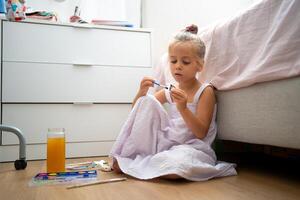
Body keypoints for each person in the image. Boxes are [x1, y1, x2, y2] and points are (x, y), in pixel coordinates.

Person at [109, 26, 237, 181]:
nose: (178, 66)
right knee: (148, 101)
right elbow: (139, 112)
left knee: (176, 167)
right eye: (173, 61)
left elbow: (201, 132)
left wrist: (183, 108)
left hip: (193, 148)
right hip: (167, 145)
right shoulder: (170, 89)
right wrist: (141, 93)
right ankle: (142, 161)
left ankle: (141, 164)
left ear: (200, 65)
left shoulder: (205, 91)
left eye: (186, 62)